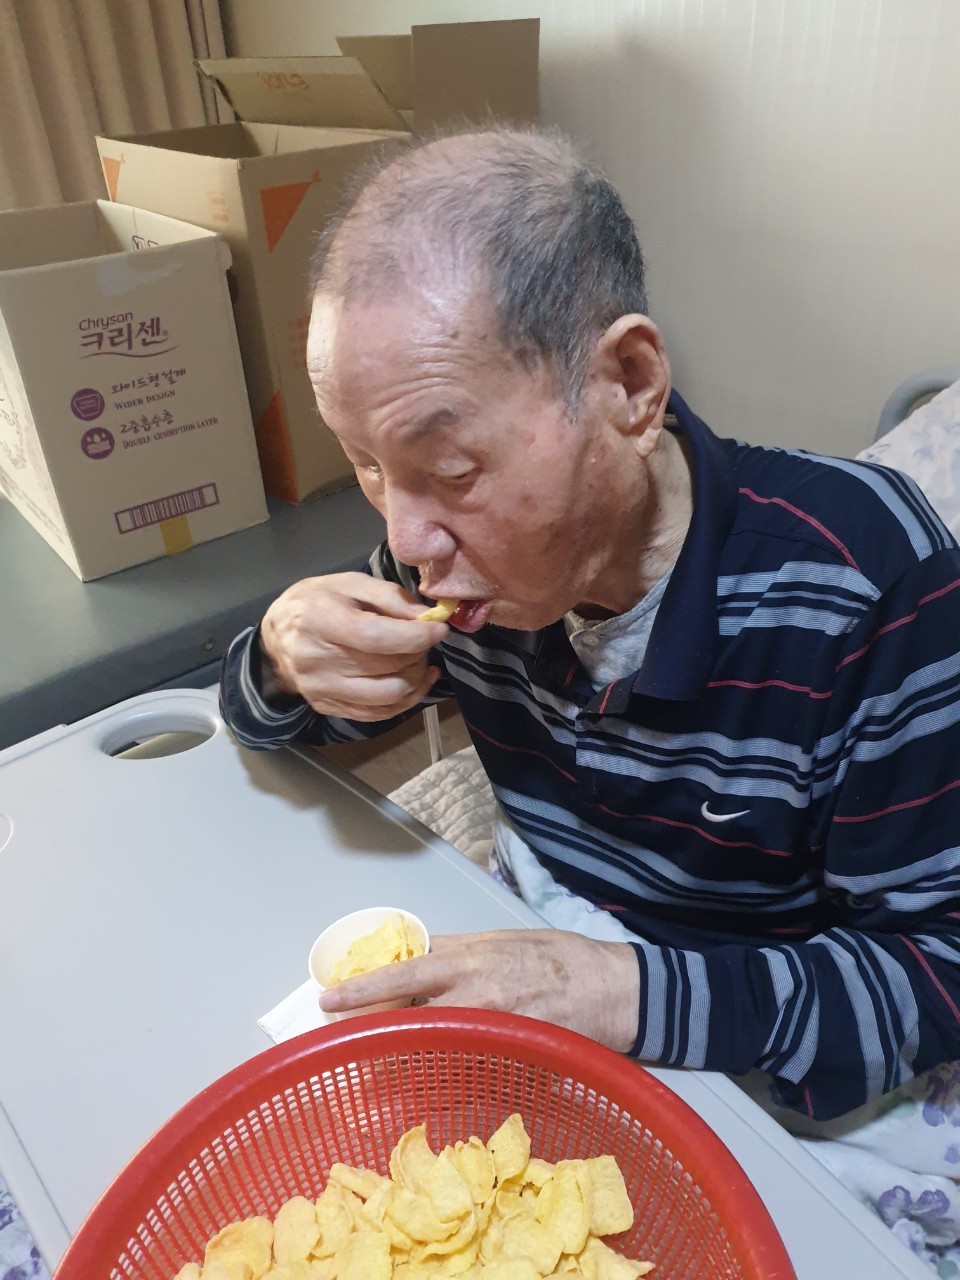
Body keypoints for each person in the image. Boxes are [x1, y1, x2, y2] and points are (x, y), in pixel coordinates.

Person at [221, 126, 960, 1135]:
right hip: (543, 935)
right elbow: (280, 718)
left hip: (751, 1025)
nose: (405, 539)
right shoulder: (457, 562)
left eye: (452, 469)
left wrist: (616, 991)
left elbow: (936, 969)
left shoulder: (874, 584)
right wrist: (281, 657)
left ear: (630, 386)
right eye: (368, 465)